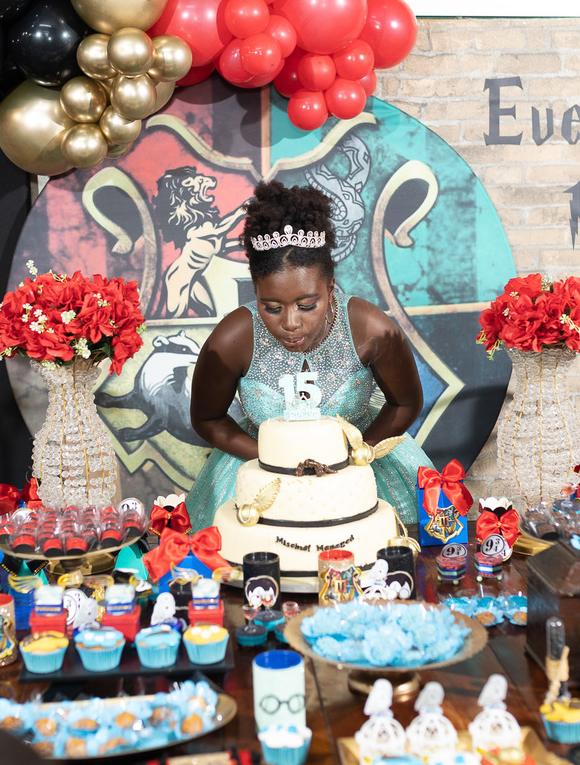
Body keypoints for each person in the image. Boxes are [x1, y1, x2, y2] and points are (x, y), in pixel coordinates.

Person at [186, 180, 434, 531]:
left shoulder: (371, 329)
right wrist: (272, 459)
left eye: (306, 305)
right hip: (260, 473)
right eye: (271, 307)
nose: (290, 323)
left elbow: (406, 403)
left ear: (330, 287)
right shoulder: (233, 339)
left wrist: (358, 455)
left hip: (360, 472)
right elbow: (207, 418)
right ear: (255, 291)